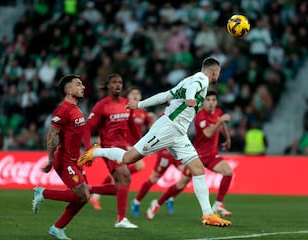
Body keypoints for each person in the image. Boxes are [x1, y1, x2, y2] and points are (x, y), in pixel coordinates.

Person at [78, 57, 231, 227]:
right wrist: (189, 98)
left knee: (198, 169)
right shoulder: (201, 79)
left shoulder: (187, 80)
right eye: (219, 73)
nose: (218, 76)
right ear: (214, 72)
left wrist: (140, 104)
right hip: (167, 128)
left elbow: (165, 95)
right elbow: (194, 87)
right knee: (129, 158)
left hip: (179, 133)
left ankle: (208, 214)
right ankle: (96, 151)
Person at [145, 90, 233, 220]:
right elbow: (208, 133)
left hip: (212, 155)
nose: (211, 103)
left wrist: (228, 138)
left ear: (217, 102)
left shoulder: (218, 112)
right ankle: (157, 203)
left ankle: (218, 205)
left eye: (213, 100)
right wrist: (220, 122)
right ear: (204, 102)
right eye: (208, 100)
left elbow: (222, 123)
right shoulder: (200, 116)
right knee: (181, 184)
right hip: (197, 157)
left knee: (228, 172)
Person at [31, 74, 89, 240]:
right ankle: (43, 192)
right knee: (82, 195)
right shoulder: (63, 109)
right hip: (64, 159)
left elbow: (75, 135)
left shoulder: (77, 109)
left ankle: (57, 228)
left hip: (75, 159)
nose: (83, 87)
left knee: (84, 198)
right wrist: (50, 159)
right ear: (69, 90)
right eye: (79, 84)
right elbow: (51, 136)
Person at [84, 73, 140, 228]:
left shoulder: (127, 103)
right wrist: (89, 150)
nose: (118, 85)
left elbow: (133, 127)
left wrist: (144, 144)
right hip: (109, 149)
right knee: (126, 178)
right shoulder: (102, 105)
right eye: (114, 82)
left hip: (124, 150)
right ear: (108, 86)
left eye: (120, 82)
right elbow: (88, 128)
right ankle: (121, 219)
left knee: (119, 187)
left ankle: (87, 189)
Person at [88, 85, 155, 211]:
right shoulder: (123, 108)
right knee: (137, 167)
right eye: (133, 93)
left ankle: (96, 194)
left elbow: (149, 126)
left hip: (134, 145)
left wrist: (152, 119)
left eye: (138, 93)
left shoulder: (142, 113)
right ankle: (97, 194)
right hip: (121, 144)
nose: (135, 96)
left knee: (124, 172)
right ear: (127, 96)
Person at [131, 148, 187, 217]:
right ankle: (136, 202)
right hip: (166, 153)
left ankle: (170, 198)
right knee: (154, 178)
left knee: (187, 175)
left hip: (178, 152)